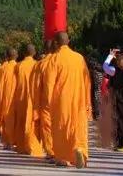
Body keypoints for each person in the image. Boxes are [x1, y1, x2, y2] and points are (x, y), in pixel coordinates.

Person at [44, 32, 90, 169]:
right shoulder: (79, 58)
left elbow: (49, 84)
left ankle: (63, 157)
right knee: (78, 126)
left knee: (62, 127)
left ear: (56, 43)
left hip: (61, 100)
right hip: (79, 99)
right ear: (68, 41)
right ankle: (80, 149)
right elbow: (87, 80)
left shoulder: (53, 59)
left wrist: (49, 102)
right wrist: (87, 99)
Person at [11, 44, 44, 157]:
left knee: (21, 121)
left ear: (23, 53)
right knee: (32, 123)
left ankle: (21, 146)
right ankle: (32, 146)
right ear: (34, 53)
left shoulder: (18, 66)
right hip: (34, 99)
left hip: (20, 98)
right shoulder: (37, 65)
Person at [102, 48, 123, 152]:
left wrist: (110, 56)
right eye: (117, 60)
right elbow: (105, 67)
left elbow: (105, 67)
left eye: (120, 60)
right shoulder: (119, 70)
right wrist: (111, 56)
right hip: (121, 97)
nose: (118, 62)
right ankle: (122, 143)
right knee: (120, 120)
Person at [0, 48, 19, 150]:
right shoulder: (19, 67)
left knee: (7, 120)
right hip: (17, 98)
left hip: (6, 98)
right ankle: (13, 141)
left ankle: (7, 142)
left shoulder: (3, 69)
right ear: (17, 56)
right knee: (16, 121)